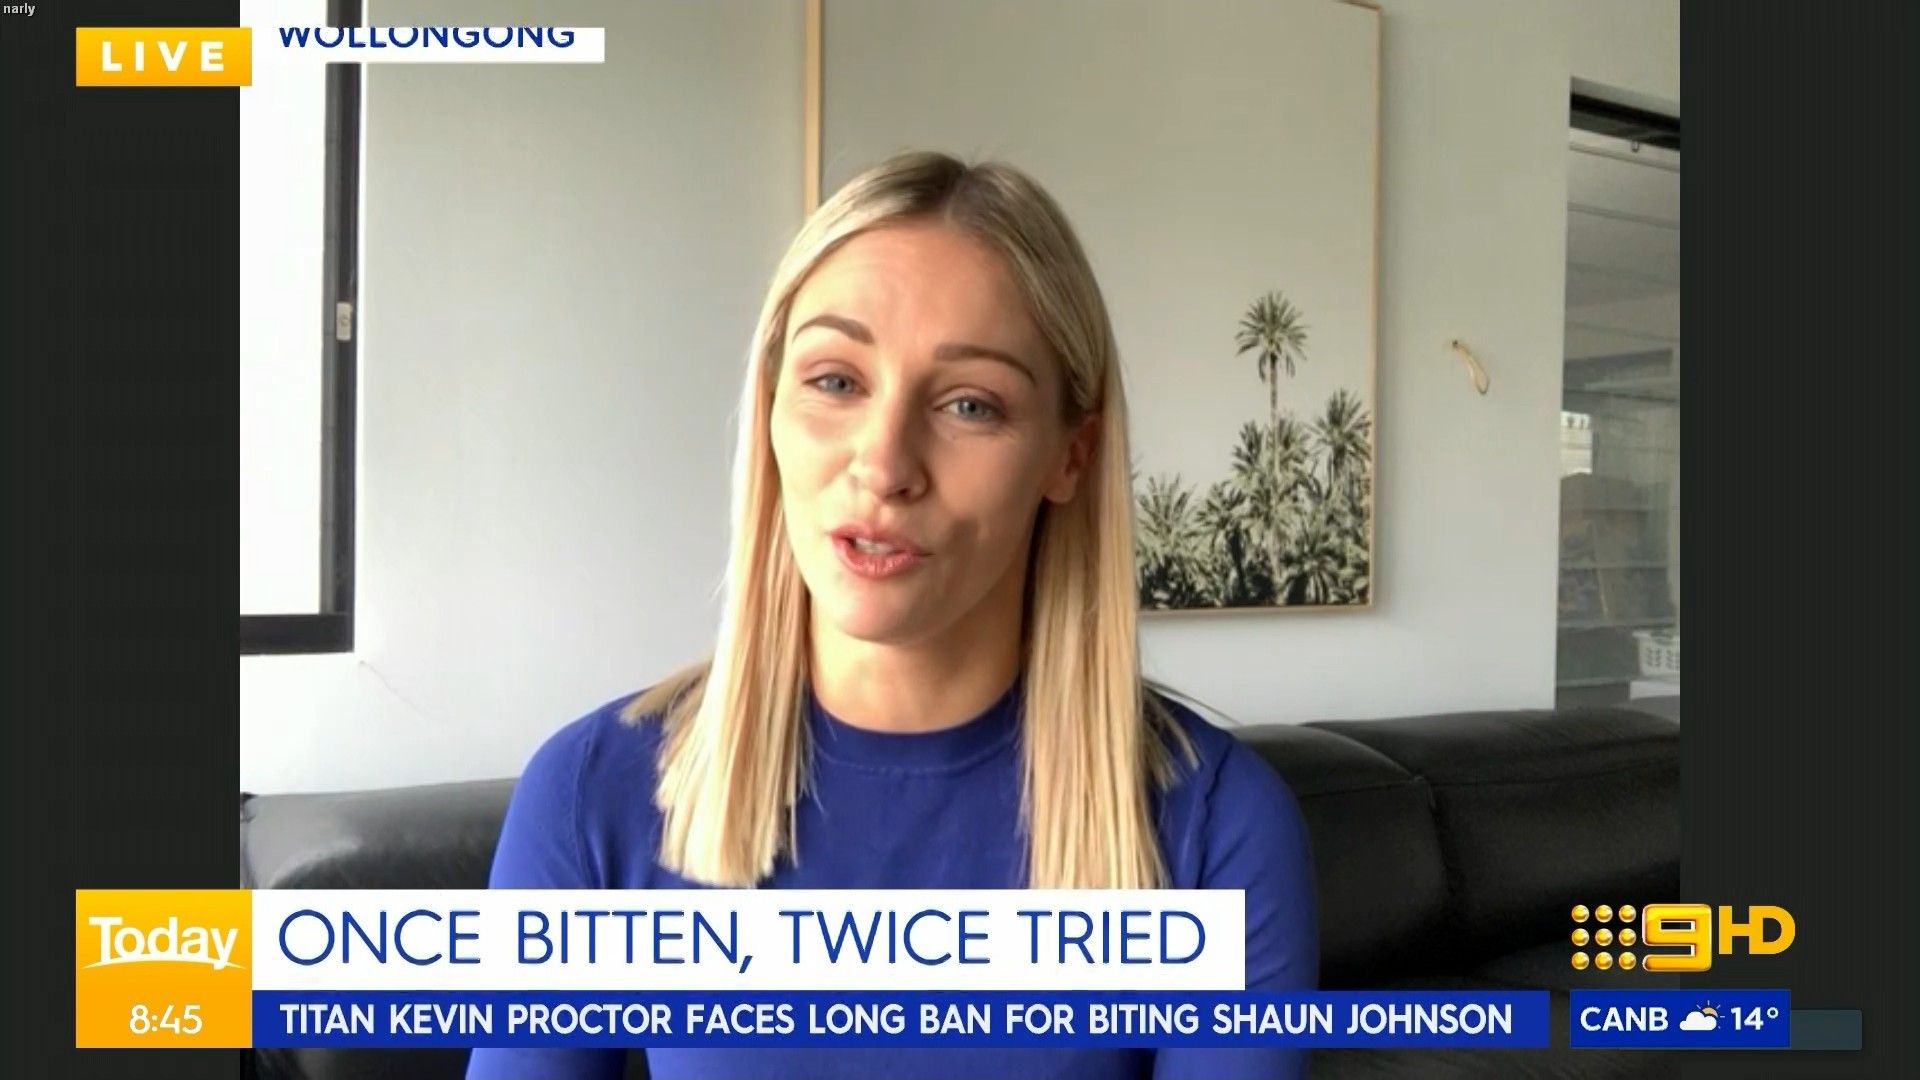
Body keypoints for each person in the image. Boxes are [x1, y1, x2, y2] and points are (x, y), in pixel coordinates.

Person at [468, 151, 1317, 1080]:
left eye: (970, 404)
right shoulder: (591, 796)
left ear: (1069, 458)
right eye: (836, 381)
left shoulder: (1216, 826)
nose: (884, 464)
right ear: (770, 408)